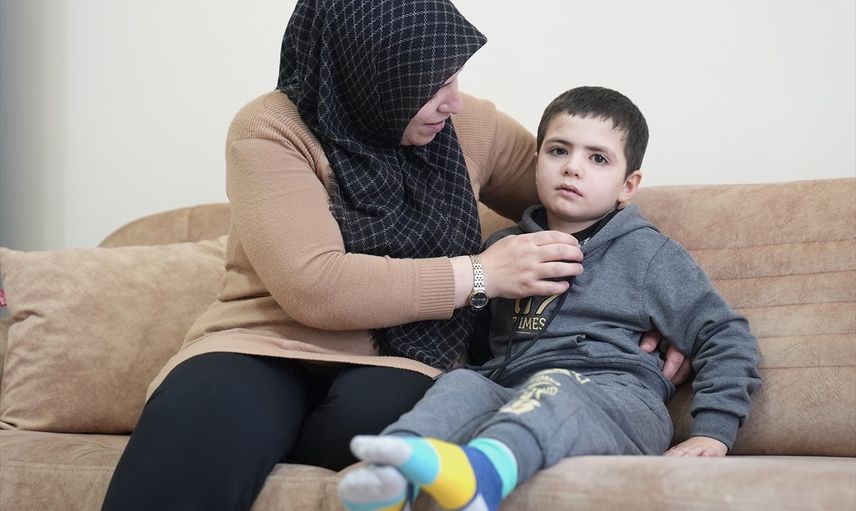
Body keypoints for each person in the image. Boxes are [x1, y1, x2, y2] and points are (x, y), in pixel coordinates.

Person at [101, 2, 687, 509]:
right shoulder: (271, 129)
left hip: (403, 357)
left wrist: (659, 304)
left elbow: (588, 202)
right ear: (370, 72)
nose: (453, 100)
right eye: (431, 84)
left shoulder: (469, 125)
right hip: (262, 343)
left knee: (394, 430)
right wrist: (482, 274)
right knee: (201, 424)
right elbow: (315, 286)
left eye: (455, 77)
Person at [336, 86, 762, 511]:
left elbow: (724, 335)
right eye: (559, 151)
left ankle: (483, 477)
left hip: (619, 401)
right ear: (537, 161)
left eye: (598, 159)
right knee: (462, 383)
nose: (573, 168)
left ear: (628, 185)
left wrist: (713, 432)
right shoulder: (505, 250)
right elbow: (480, 342)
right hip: (515, 392)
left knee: (555, 385)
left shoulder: (647, 253)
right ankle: (391, 475)